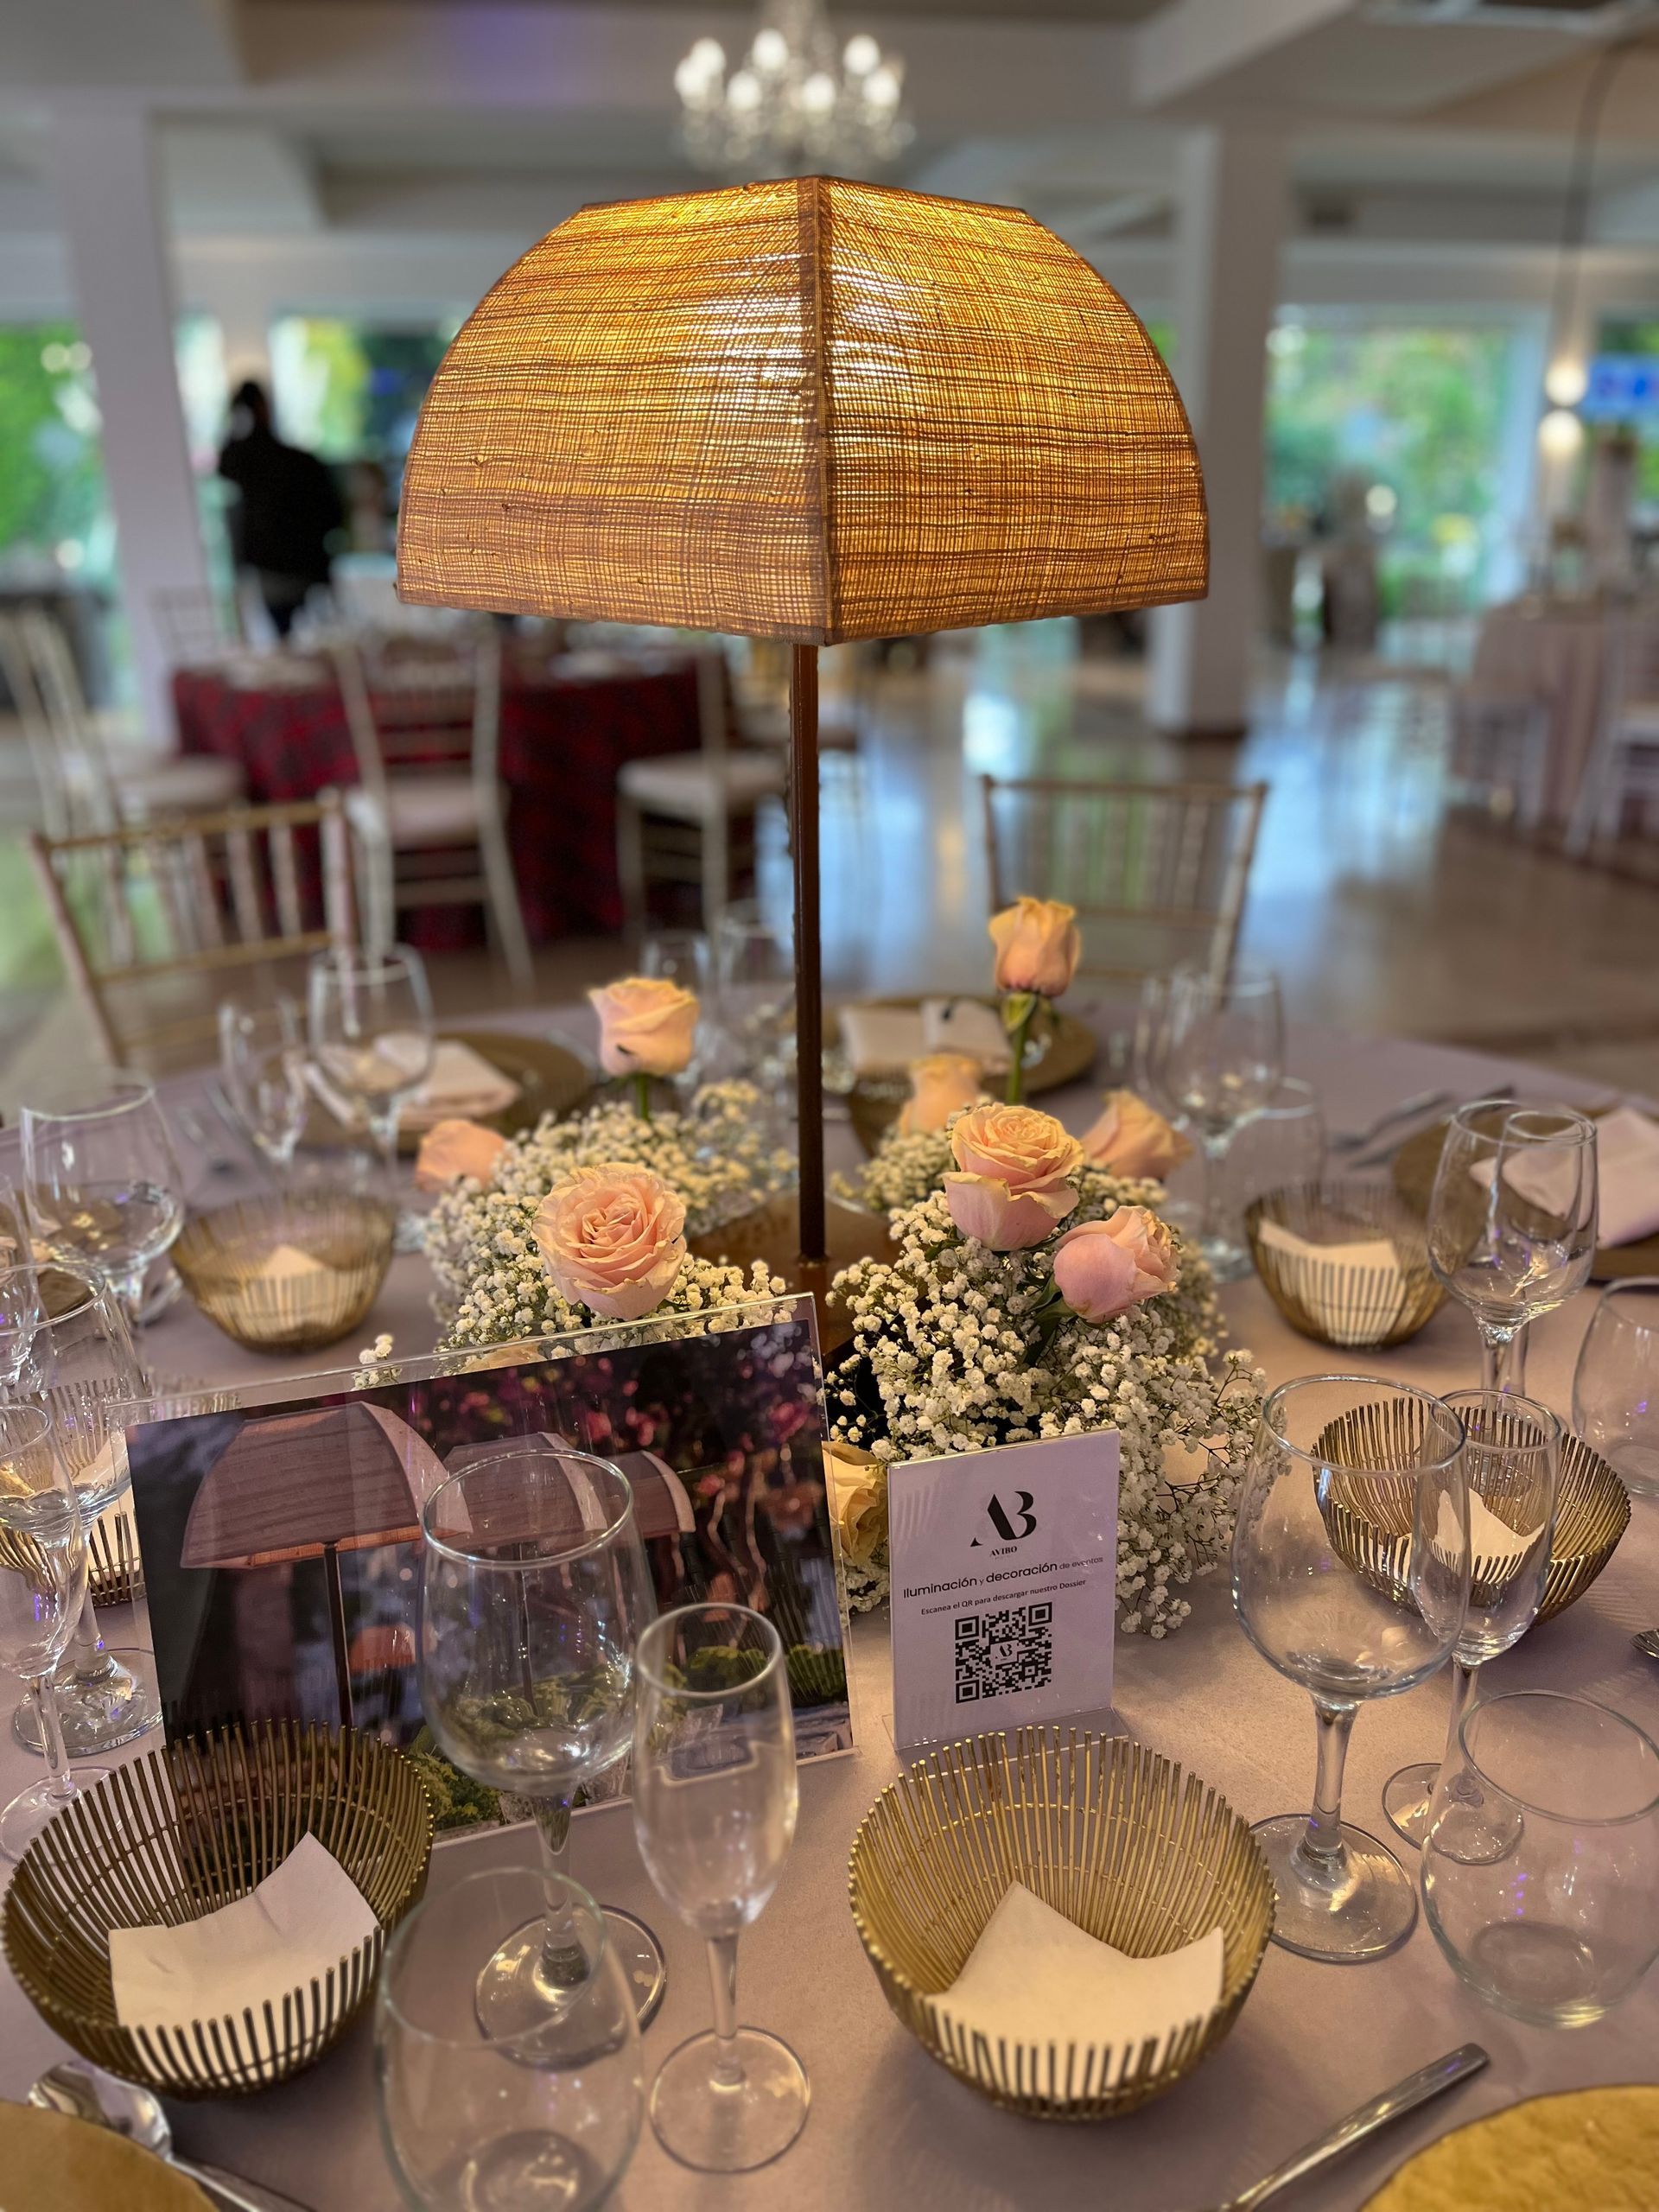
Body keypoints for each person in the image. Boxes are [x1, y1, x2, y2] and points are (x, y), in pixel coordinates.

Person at [217, 379, 344, 639]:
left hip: (286, 570)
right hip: (302, 568)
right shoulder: (299, 462)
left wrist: (236, 418)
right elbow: (334, 516)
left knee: (295, 643)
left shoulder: (258, 460)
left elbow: (225, 463)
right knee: (321, 643)